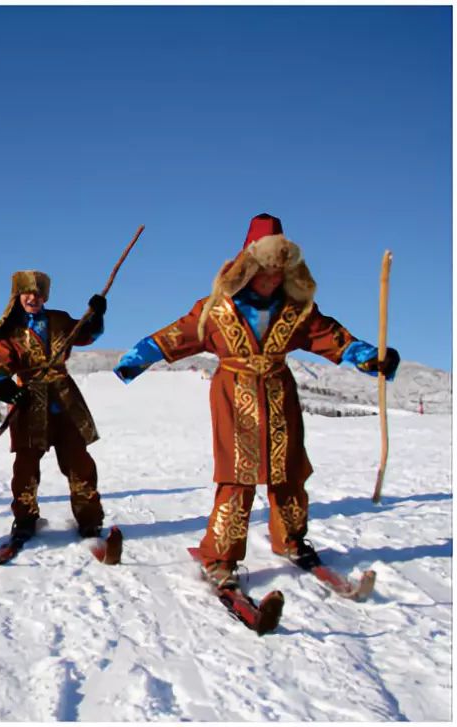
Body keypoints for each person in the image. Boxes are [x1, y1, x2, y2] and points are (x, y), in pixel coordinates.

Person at [114, 213, 400, 587]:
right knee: (238, 475)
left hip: (281, 394)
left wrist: (370, 357)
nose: (272, 280)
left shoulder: (298, 310)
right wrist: (137, 358)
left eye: (279, 272)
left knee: (289, 471)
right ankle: (221, 556)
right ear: (248, 269)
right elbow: (177, 335)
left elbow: (332, 337)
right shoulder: (216, 308)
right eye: (265, 271)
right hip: (234, 394)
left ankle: (292, 538)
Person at [0, 270, 108, 543]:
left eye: (39, 294)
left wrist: (97, 315)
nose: (33, 298)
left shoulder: (60, 319)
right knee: (26, 466)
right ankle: (25, 518)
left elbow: (86, 334)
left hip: (66, 400)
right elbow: (0, 364)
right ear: (17, 296)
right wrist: (3, 385)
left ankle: (90, 519)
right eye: (28, 293)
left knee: (79, 461)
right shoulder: (7, 331)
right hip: (29, 401)